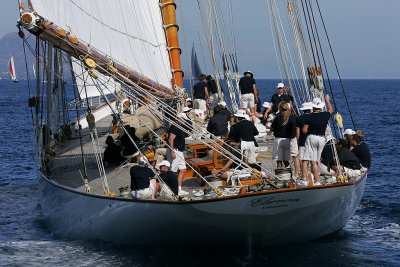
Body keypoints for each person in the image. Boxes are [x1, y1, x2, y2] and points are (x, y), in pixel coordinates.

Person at [301, 94, 333, 186]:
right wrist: (327, 100)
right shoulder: (325, 115)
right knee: (316, 161)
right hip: (322, 139)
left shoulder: (309, 116)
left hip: (312, 138)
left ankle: (305, 180)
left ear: (313, 107)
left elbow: (304, 130)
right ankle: (317, 180)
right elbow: (330, 110)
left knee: (308, 160)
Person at [270, 102, 296, 168]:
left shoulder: (277, 118)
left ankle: (280, 176)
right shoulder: (292, 117)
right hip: (287, 140)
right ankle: (289, 173)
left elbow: (272, 128)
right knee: (286, 160)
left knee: (279, 161)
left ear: (280, 108)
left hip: (278, 140)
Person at [168, 113, 188, 195]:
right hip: (175, 151)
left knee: (183, 170)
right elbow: (170, 139)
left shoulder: (179, 127)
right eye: (183, 119)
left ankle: (179, 189)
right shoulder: (175, 126)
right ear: (179, 118)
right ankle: (171, 190)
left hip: (180, 152)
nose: (184, 121)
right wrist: (172, 152)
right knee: (172, 171)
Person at [296, 102, 313, 184]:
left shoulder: (300, 118)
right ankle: (313, 175)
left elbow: (298, 131)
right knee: (313, 160)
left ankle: (304, 177)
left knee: (304, 161)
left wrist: (298, 141)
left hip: (303, 141)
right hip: (312, 140)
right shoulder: (314, 117)